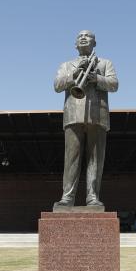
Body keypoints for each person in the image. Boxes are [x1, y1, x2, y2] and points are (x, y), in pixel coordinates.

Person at [53, 30, 118, 208]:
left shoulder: (105, 63)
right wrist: (74, 76)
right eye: (79, 36)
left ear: (94, 43)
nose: (83, 37)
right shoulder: (67, 65)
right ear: (75, 44)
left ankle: (92, 197)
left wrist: (96, 78)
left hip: (98, 115)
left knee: (95, 160)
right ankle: (67, 197)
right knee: (71, 158)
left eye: (88, 36)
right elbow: (57, 85)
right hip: (73, 115)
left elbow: (114, 84)